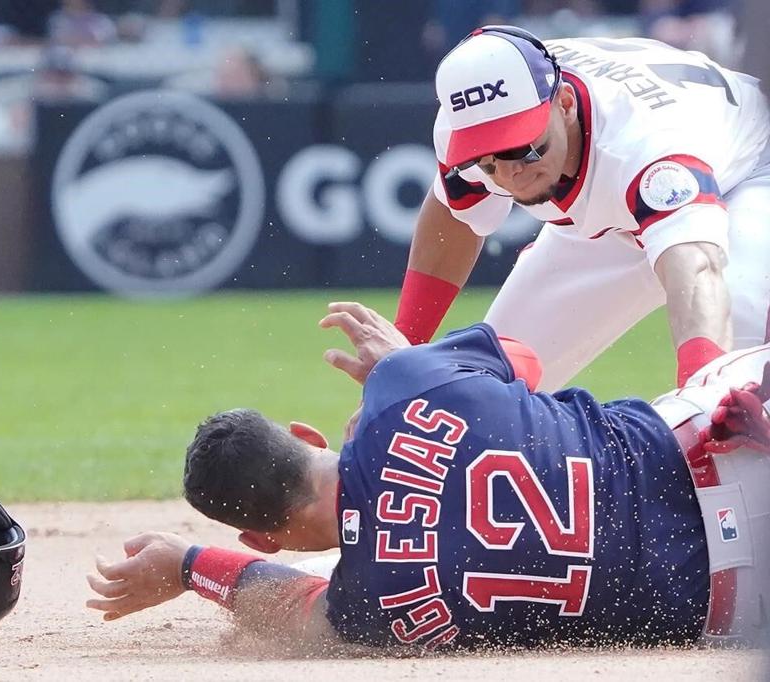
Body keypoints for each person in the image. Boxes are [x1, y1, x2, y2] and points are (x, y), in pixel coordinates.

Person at [85, 301, 770, 651]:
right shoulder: (407, 385)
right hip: (726, 438)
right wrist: (412, 365)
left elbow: (302, 616)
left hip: (740, 602)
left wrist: (191, 567)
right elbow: (524, 360)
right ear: (304, 437)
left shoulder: (368, 603)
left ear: (263, 540)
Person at [394, 26, 770, 393]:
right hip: (611, 211)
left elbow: (696, 265)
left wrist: (700, 392)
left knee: (733, 372)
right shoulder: (466, 124)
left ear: (566, 105)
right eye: (488, 159)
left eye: (522, 147)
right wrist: (401, 356)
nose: (511, 172)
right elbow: (456, 216)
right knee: (485, 387)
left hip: (746, 172)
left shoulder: (644, 146)